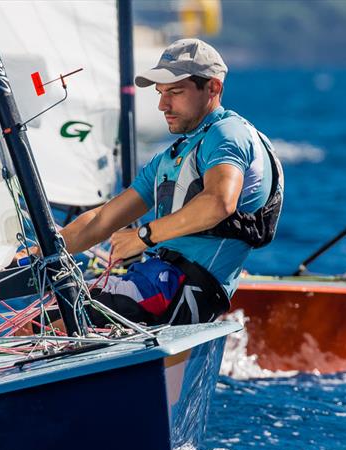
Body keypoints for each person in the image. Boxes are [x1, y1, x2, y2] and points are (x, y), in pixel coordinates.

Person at [20, 38, 283, 327]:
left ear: (213, 88)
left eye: (175, 92)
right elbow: (101, 220)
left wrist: (143, 236)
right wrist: (38, 254)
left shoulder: (227, 134)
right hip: (160, 282)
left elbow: (218, 202)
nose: (162, 105)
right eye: (160, 93)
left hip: (186, 290)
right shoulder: (172, 157)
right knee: (35, 320)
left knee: (38, 329)